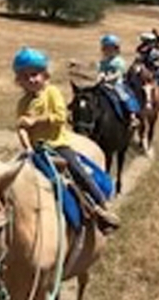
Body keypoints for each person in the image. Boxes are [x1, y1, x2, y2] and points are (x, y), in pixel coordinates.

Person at [12, 47, 120, 231]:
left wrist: (35, 120)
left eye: (35, 74)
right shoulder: (23, 103)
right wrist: (27, 147)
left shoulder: (52, 92)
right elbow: (21, 128)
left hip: (57, 145)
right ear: (19, 80)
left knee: (78, 172)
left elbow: (60, 117)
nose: (31, 79)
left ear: (45, 75)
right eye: (25, 76)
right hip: (35, 150)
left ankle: (102, 206)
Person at [96, 33, 140, 118]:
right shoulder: (103, 62)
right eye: (106, 48)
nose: (107, 51)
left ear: (116, 49)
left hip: (117, 84)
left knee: (124, 96)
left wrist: (109, 78)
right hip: (104, 84)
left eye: (110, 48)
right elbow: (101, 72)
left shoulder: (119, 61)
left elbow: (119, 73)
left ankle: (132, 114)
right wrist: (100, 78)